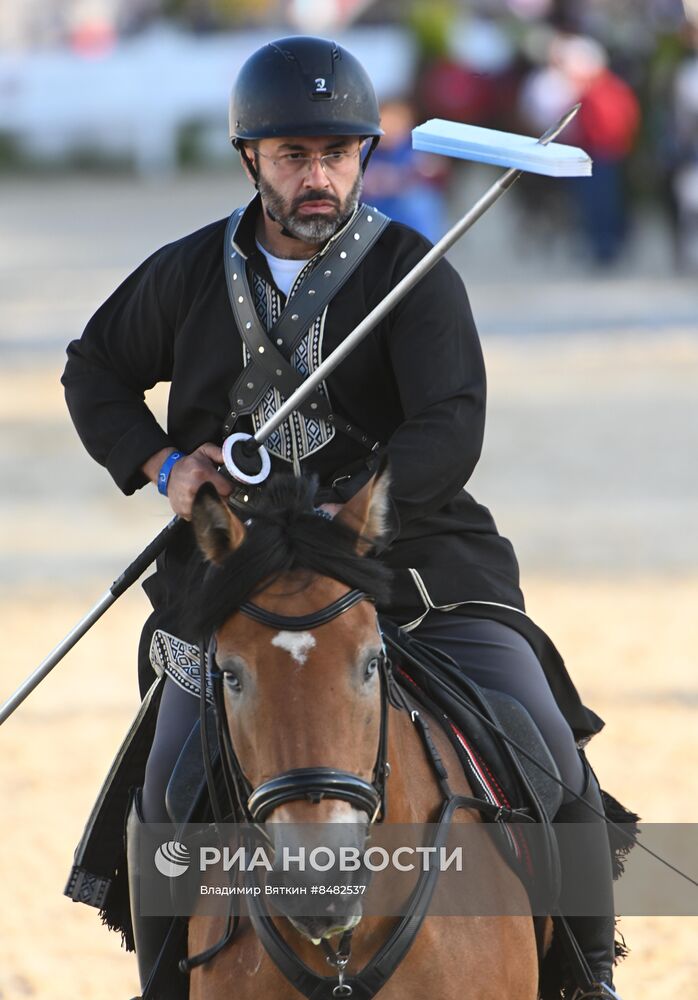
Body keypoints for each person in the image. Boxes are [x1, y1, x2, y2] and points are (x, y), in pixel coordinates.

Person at [62, 36, 623, 1000]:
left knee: (544, 743)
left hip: (412, 561)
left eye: (336, 152)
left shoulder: (414, 271)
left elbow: (453, 419)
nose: (315, 176)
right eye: (291, 155)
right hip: (235, 574)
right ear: (251, 158)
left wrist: (361, 502)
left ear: (366, 154)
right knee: (165, 795)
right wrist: (164, 464)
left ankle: (582, 977)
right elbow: (94, 371)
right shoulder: (189, 272)